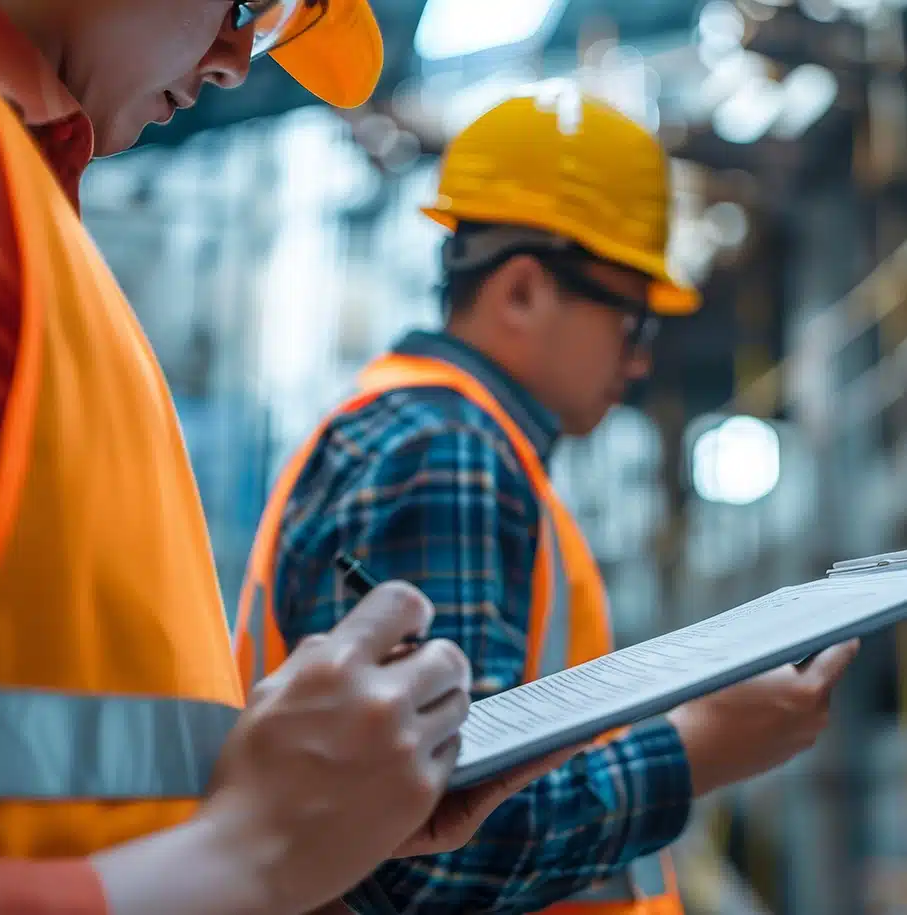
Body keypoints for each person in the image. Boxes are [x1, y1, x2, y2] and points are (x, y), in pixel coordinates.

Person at [0, 3, 572, 913]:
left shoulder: (38, 218)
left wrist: (302, 813)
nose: (232, 61)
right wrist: (246, 855)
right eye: (244, 3)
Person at [234, 89, 860, 915]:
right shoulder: (444, 450)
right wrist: (696, 747)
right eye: (631, 324)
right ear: (523, 290)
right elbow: (425, 853)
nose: (638, 364)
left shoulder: (444, 439)